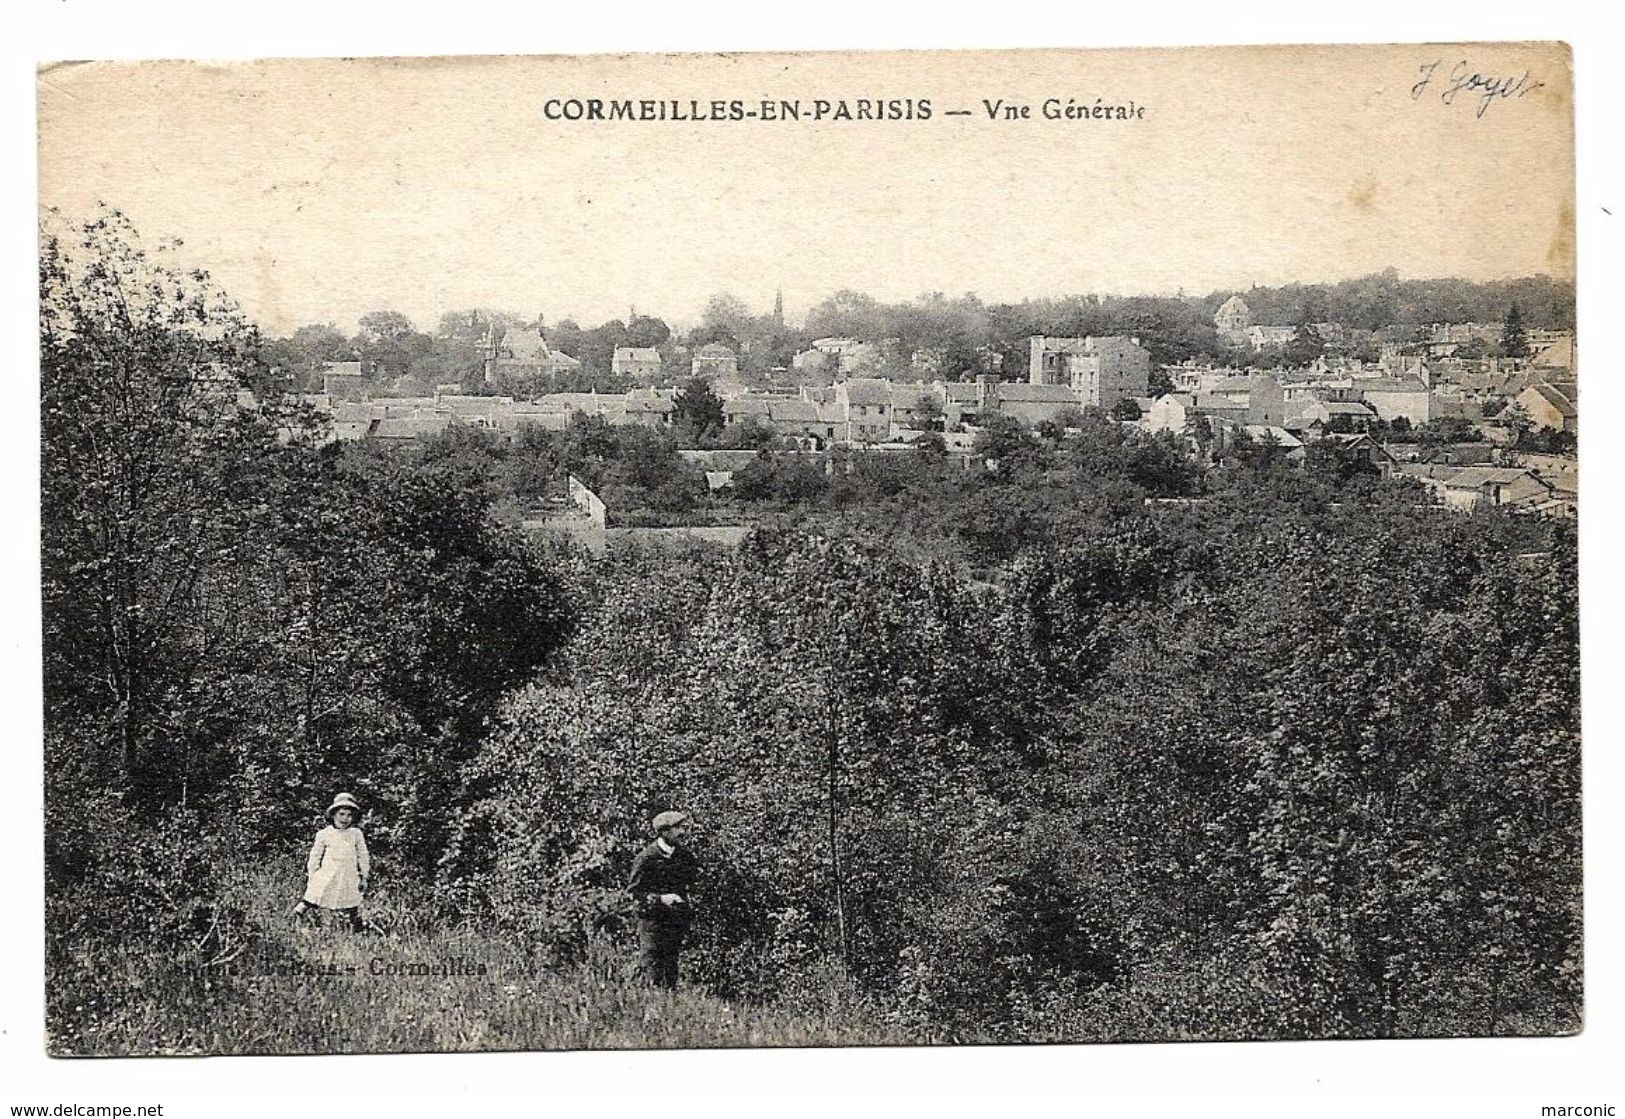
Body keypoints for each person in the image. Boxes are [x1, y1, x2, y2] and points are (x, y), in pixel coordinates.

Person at [626, 810, 699, 989]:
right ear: (664, 831)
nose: (682, 832)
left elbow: (692, 885)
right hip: (652, 923)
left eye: (683, 827)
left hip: (675, 922)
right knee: (651, 968)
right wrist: (661, 899)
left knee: (671, 969)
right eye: (677, 828)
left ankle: (668, 1012)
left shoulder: (685, 856)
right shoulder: (646, 858)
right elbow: (634, 894)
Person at [293, 792, 371, 932]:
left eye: (349, 815)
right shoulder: (324, 834)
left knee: (351, 900)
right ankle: (300, 920)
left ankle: (355, 927)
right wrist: (313, 875)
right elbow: (315, 856)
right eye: (341, 814)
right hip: (327, 874)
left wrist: (364, 876)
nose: (345, 819)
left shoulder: (356, 834)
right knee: (316, 897)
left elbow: (363, 855)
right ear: (333, 814)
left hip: (348, 874)